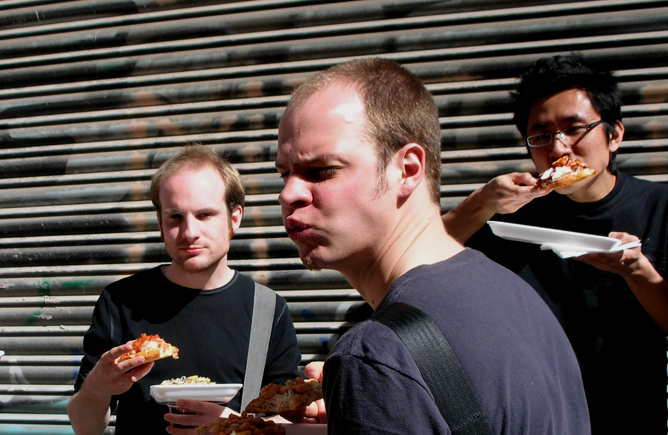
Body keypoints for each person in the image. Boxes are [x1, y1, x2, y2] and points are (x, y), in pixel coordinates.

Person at [275, 57, 591, 434]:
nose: (288, 194)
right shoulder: (517, 297)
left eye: (322, 171)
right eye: (284, 173)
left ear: (407, 170)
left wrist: (380, 385)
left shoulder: (376, 354)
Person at [442, 54, 668, 434]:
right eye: (542, 135)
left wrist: (638, 272)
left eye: (574, 129)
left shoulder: (660, 208)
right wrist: (480, 203)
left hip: (632, 416)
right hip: (530, 420)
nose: (559, 149)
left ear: (614, 136)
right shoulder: (511, 213)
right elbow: (412, 253)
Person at [67, 145, 301, 435]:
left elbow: (288, 423)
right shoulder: (121, 301)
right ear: (160, 223)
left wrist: (231, 424)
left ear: (235, 218)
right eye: (175, 217)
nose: (189, 232)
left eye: (205, 215)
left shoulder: (268, 310)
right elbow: (84, 427)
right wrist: (96, 388)